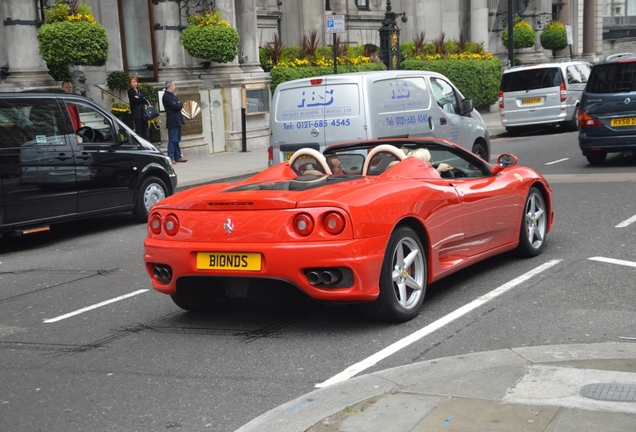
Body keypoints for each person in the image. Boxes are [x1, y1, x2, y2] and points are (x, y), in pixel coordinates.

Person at [162, 81, 187, 164]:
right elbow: (176, 106)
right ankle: (171, 157)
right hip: (173, 120)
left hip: (178, 119)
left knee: (177, 139)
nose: (175, 87)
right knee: (173, 139)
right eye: (174, 85)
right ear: (170, 86)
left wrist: (179, 104)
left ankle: (178, 156)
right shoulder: (166, 96)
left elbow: (180, 104)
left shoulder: (173, 96)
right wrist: (178, 104)